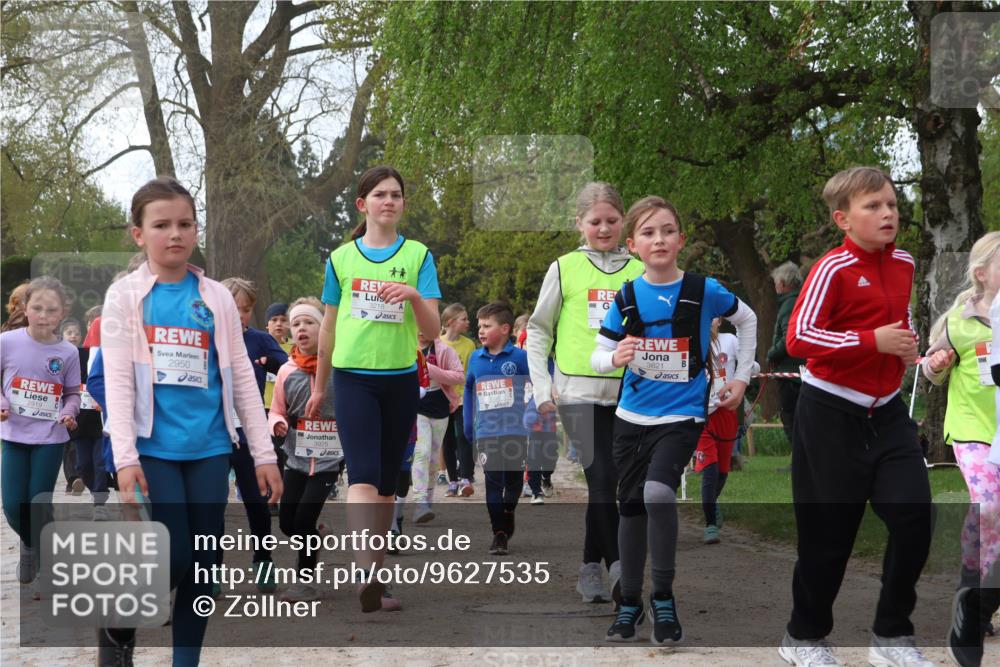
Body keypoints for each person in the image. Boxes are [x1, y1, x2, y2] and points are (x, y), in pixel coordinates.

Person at [100, 176, 282, 666]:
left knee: (205, 567)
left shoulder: (217, 298)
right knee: (175, 555)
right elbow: (116, 382)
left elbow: (242, 377)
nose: (174, 233)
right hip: (152, 449)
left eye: (184, 223)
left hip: (210, 448)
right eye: (161, 225)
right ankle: (117, 621)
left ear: (197, 230)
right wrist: (124, 459)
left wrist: (262, 454)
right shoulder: (125, 297)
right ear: (139, 233)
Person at [778, 167, 934, 667]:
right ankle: (804, 637)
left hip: (887, 414)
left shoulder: (906, 262)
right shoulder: (831, 269)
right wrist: (871, 341)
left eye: (891, 203)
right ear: (843, 219)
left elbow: (897, 320)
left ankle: (892, 637)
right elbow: (797, 339)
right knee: (828, 540)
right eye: (874, 206)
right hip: (828, 414)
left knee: (914, 516)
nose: (888, 213)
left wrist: (908, 347)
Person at [591, 195, 757, 645]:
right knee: (630, 507)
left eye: (667, 230)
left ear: (681, 240)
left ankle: (663, 597)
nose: (659, 239)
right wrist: (615, 357)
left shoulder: (705, 291)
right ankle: (629, 603)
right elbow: (599, 352)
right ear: (632, 245)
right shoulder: (626, 296)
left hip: (682, 415)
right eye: (648, 232)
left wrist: (741, 380)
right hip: (631, 416)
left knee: (659, 493)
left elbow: (748, 320)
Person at [306, 165, 441, 613]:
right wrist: (320, 386)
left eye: (396, 195)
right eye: (380, 195)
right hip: (352, 378)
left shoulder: (419, 256)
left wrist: (414, 297)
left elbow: (433, 328)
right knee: (362, 476)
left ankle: (376, 579)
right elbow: (328, 327)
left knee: (386, 487)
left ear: (403, 205)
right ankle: (365, 573)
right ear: (363, 205)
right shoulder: (341, 259)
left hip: (400, 378)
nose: (389, 201)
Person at [526, 181, 644, 604]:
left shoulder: (640, 268)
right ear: (579, 224)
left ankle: (588, 569)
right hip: (577, 391)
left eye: (612, 220)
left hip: (632, 393)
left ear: (624, 220)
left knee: (618, 485)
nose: (604, 228)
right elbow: (538, 332)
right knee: (600, 480)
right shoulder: (563, 268)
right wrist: (543, 387)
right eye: (595, 221)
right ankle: (620, 573)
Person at [922, 231, 1000, 667]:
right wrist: (936, 365)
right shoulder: (959, 321)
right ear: (982, 273)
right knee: (988, 506)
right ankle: (980, 581)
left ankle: (977, 585)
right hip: (972, 429)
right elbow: (932, 371)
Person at [1, 277, 81, 589]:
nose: (44, 315)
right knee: (12, 506)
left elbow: (73, 393)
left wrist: (68, 412)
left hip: (50, 437)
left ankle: (44, 563)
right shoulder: (6, 343)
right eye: (37, 308)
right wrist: (3, 402)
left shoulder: (68, 352)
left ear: (63, 312)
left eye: (51, 309)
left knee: (37, 502)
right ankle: (32, 545)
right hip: (14, 436)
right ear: (25, 308)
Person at [269, 298, 343, 603]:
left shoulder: (340, 367)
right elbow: (276, 410)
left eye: (309, 322)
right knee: (287, 522)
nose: (301, 328)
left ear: (323, 328)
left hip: (329, 459)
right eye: (296, 323)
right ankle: (315, 535)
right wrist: (277, 424)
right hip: (296, 458)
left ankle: (305, 581)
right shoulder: (286, 371)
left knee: (302, 521)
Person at [218, 277, 287, 592]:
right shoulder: (206, 340)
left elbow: (289, 368)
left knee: (257, 502)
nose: (240, 315)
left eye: (246, 310)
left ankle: (263, 559)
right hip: (214, 433)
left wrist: (273, 363)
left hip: (250, 431)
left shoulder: (259, 340)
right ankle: (210, 568)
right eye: (234, 309)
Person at [464, 301, 531, 555]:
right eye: (479, 326)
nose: (481, 330)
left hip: (515, 430)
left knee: (512, 483)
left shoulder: (520, 358)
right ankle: (499, 534)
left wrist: (533, 410)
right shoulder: (475, 358)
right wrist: (469, 423)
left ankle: (509, 511)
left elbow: (537, 385)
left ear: (505, 329)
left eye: (486, 326)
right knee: (492, 482)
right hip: (487, 431)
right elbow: (469, 387)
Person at [695, 318, 757, 545]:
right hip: (701, 414)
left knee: (722, 471)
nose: (708, 318)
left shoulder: (730, 341)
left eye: (712, 315)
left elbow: (750, 364)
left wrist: (749, 370)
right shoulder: (693, 342)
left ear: (719, 320)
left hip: (726, 413)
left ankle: (712, 503)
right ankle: (710, 524)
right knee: (709, 470)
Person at [410, 329, 464, 523]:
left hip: (441, 408)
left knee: (433, 458)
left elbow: (459, 376)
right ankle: (420, 501)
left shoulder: (444, 350)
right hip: (415, 408)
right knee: (421, 453)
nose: (422, 330)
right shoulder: (406, 347)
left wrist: (430, 370)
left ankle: (427, 502)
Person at [440, 303, 476, 497]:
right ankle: (452, 480)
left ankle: (465, 478)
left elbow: (470, 372)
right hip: (442, 399)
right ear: (450, 322)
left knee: (464, 435)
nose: (468, 322)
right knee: (448, 441)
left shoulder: (469, 345)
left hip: (462, 398)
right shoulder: (437, 342)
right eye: (464, 319)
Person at [767, 262, 805, 445]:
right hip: (799, 370)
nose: (775, 286)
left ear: (782, 283)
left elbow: (789, 339)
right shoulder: (800, 300)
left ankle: (798, 458)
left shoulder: (789, 304)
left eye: (775, 282)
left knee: (789, 415)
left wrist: (771, 355)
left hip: (791, 372)